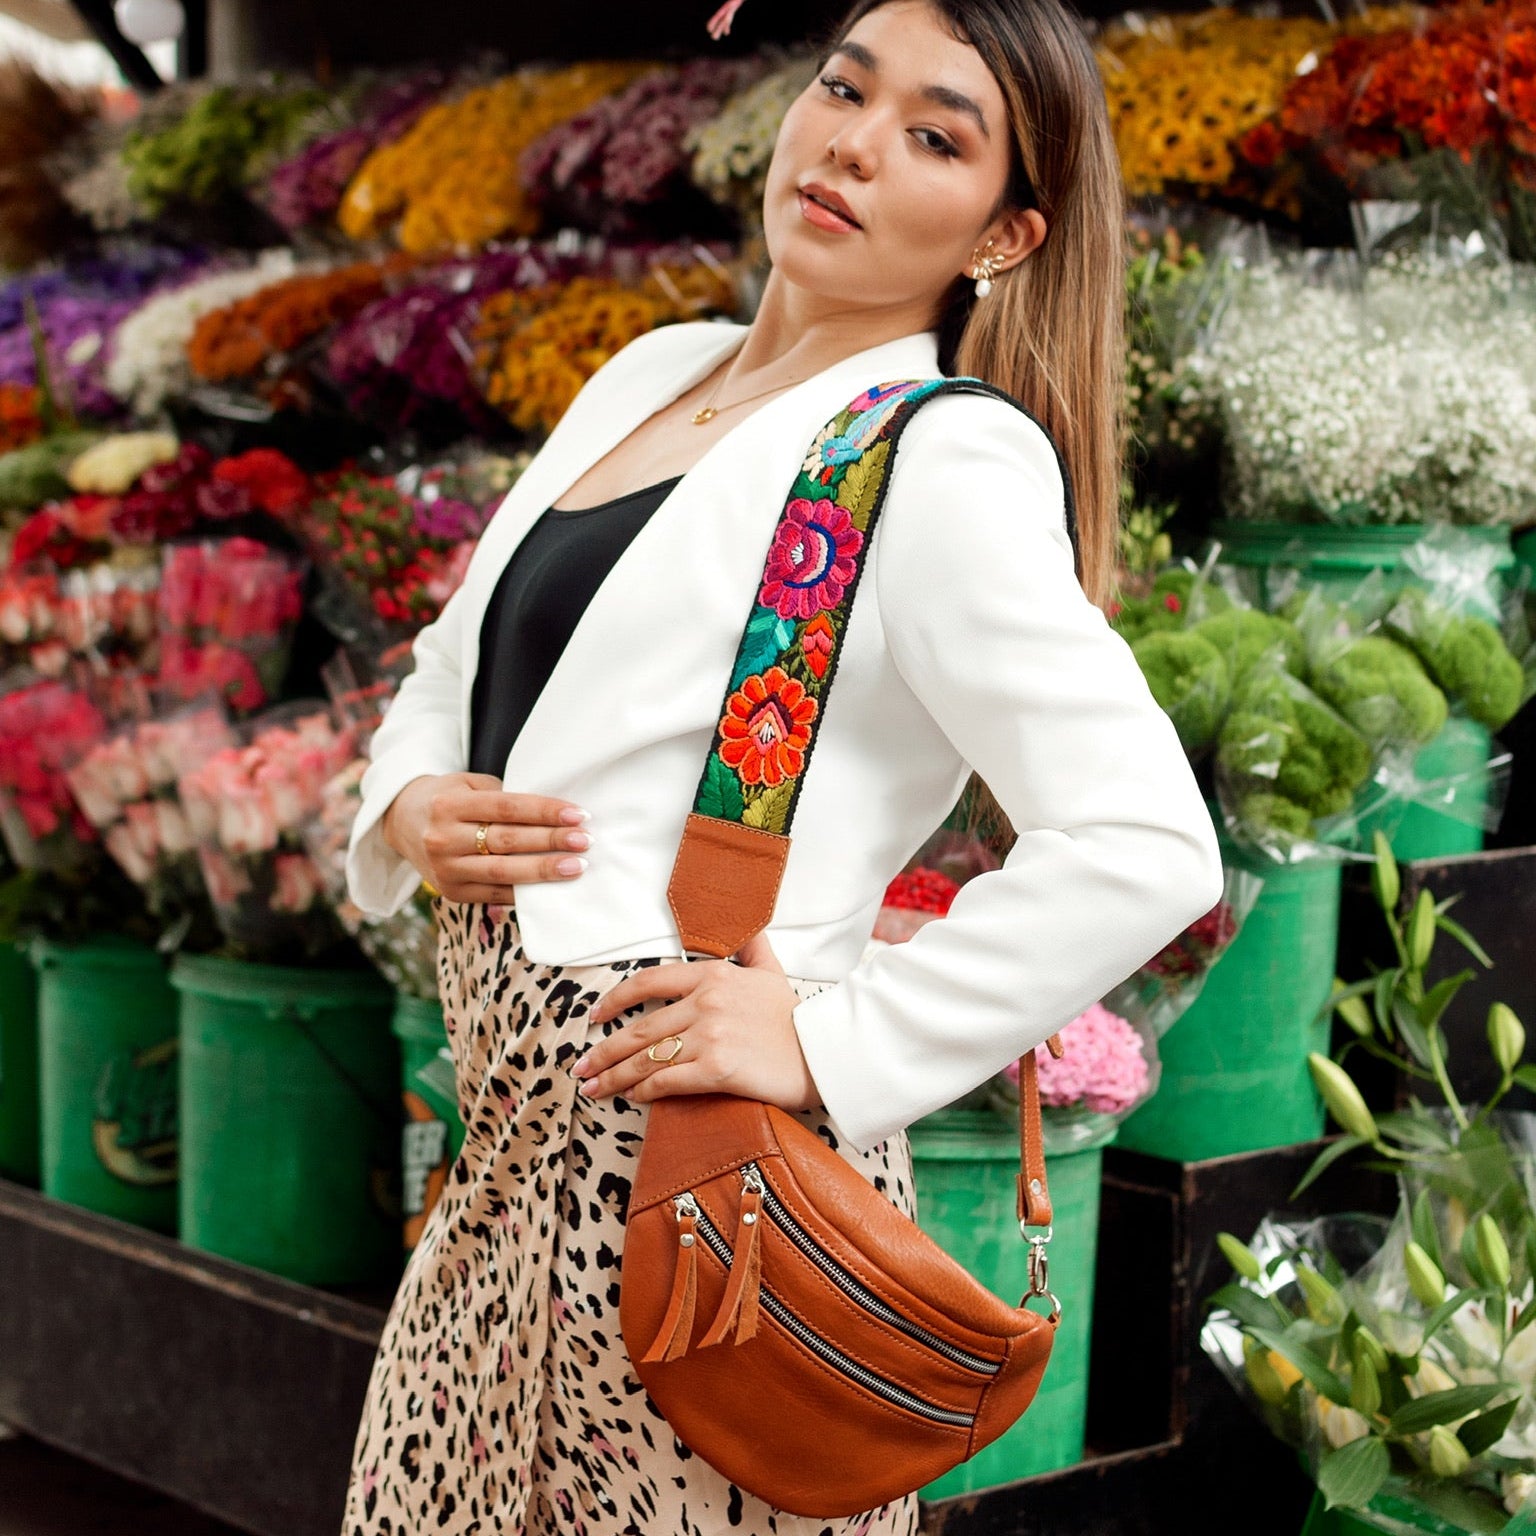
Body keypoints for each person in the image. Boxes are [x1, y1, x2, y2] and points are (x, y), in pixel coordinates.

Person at [340, 0, 1222, 1531]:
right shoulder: (653, 373)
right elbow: (449, 662)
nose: (854, 145)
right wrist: (414, 801)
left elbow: (1147, 840)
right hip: (496, 1190)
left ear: (1005, 234)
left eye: (935, 137)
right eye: (843, 88)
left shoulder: (937, 458)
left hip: (706, 1214)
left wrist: (834, 1049)